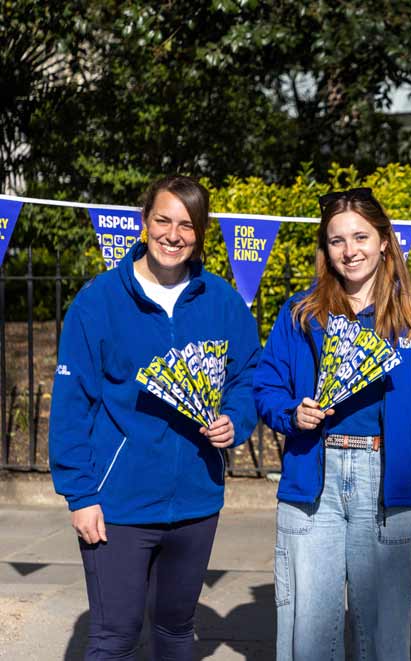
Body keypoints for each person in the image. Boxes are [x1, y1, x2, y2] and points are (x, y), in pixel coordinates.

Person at [49, 175, 261, 660]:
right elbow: (71, 405)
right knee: (114, 637)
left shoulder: (222, 301)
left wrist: (235, 418)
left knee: (175, 631)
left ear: (201, 232)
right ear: (144, 223)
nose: (173, 234)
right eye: (163, 220)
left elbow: (249, 375)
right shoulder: (98, 301)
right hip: (117, 504)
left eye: (187, 225)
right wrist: (80, 495)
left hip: (196, 500)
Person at [253, 187, 411, 661]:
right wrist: (292, 414)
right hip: (314, 482)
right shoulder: (302, 314)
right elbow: (266, 388)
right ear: (325, 250)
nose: (351, 250)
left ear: (385, 241)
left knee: (385, 641)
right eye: (337, 240)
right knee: (309, 637)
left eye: (361, 236)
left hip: (390, 483)